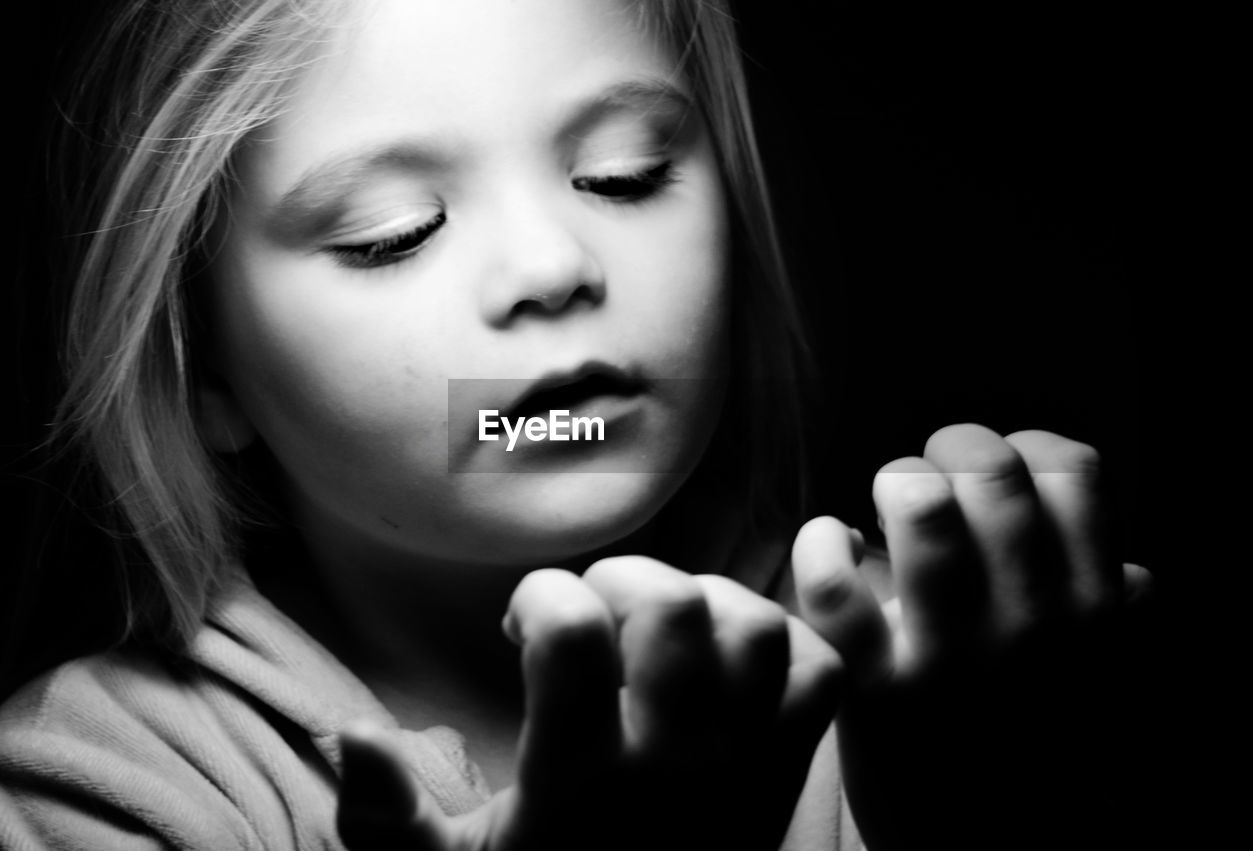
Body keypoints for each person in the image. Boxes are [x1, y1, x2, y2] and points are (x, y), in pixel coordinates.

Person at [0, 0, 1153, 848]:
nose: (552, 268)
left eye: (623, 174)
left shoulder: (949, 671)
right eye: (392, 231)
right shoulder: (94, 786)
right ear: (207, 371)